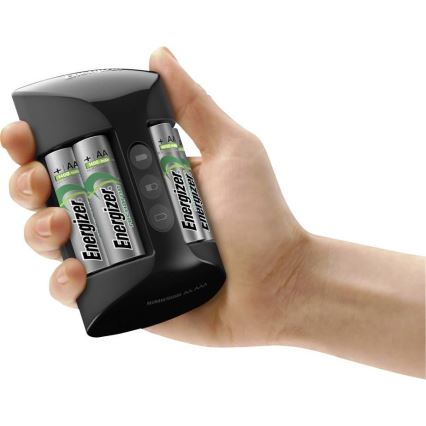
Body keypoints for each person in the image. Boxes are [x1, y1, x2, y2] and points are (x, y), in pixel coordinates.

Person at [1, 47, 424, 378]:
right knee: (65, 216)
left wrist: (290, 278)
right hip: (174, 276)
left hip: (195, 265)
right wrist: (290, 282)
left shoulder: (151, 132)